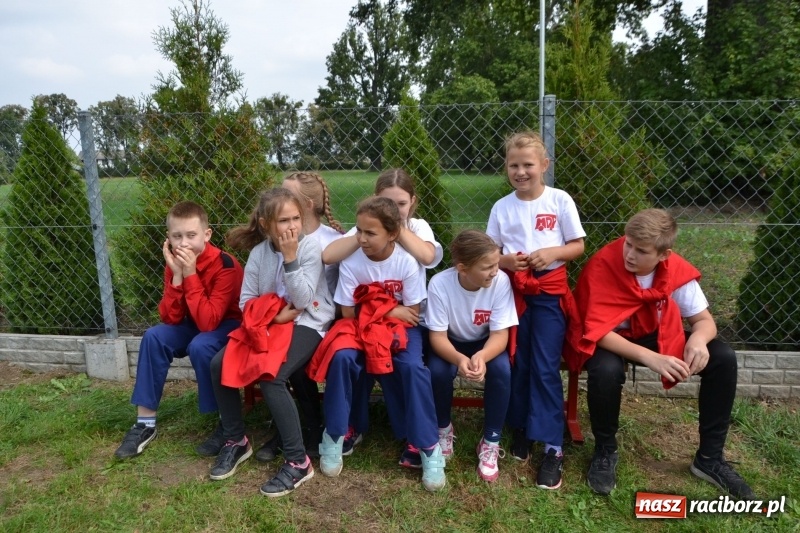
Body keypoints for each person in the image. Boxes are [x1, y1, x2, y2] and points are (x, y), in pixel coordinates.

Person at [566, 208, 754, 499]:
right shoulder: (604, 264)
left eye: (641, 251)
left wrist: (699, 341)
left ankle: (709, 458)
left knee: (723, 358)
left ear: (664, 255)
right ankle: (605, 450)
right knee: (605, 370)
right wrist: (651, 358)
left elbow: (705, 322)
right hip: (610, 338)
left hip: (655, 333)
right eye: (627, 243)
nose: (629, 254)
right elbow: (596, 332)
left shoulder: (674, 270)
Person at [309, 196, 446, 492]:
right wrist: (387, 308)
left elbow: (412, 314)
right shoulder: (352, 259)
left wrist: (379, 308)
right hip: (359, 325)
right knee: (343, 357)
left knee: (411, 366)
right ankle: (334, 433)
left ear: (392, 234)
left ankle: (428, 445)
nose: (361, 238)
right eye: (358, 231)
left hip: (399, 329)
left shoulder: (407, 261)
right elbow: (346, 312)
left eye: (370, 233)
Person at [205, 187, 335, 497]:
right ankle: (236, 440)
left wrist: (290, 258)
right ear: (265, 224)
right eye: (283, 221)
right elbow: (246, 300)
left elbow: (303, 300)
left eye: (295, 219)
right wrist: (275, 316)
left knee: (272, 376)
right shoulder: (259, 254)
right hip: (269, 323)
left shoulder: (308, 248)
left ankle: (298, 460)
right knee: (218, 363)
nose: (292, 227)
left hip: (308, 323)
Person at [486, 130, 585, 490]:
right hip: (513, 295)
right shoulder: (502, 207)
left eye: (528, 164)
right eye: (514, 165)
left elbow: (577, 245)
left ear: (544, 165)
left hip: (548, 294)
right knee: (518, 362)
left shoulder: (559, 201)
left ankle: (553, 445)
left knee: (544, 366)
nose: (521, 171)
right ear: (506, 168)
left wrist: (553, 253)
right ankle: (523, 428)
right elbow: (491, 254)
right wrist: (506, 261)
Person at [114, 201, 243, 459]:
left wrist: (191, 274)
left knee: (201, 344)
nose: (184, 243)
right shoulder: (175, 262)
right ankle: (145, 423)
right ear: (168, 238)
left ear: (207, 235)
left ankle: (224, 421)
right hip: (193, 323)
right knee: (154, 337)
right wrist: (176, 276)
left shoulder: (226, 265)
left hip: (227, 325)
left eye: (191, 235)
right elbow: (170, 318)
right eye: (177, 236)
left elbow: (210, 323)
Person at [253, 172, 345, 463]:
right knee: (287, 364)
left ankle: (303, 432)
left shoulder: (324, 240)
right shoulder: (270, 242)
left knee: (289, 364)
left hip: (317, 317)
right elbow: (252, 293)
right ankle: (293, 430)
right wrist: (272, 316)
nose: (282, 198)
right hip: (282, 315)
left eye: (287, 195)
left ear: (304, 205)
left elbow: (311, 299)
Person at [425, 230, 518, 482]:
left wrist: (482, 356)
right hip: (450, 342)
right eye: (488, 266)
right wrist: (459, 359)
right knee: (438, 371)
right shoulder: (440, 285)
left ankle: (490, 441)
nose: (495, 271)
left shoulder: (500, 283)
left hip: (485, 342)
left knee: (501, 370)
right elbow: (437, 338)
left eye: (497, 264)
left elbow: (501, 335)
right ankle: (443, 428)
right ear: (462, 268)